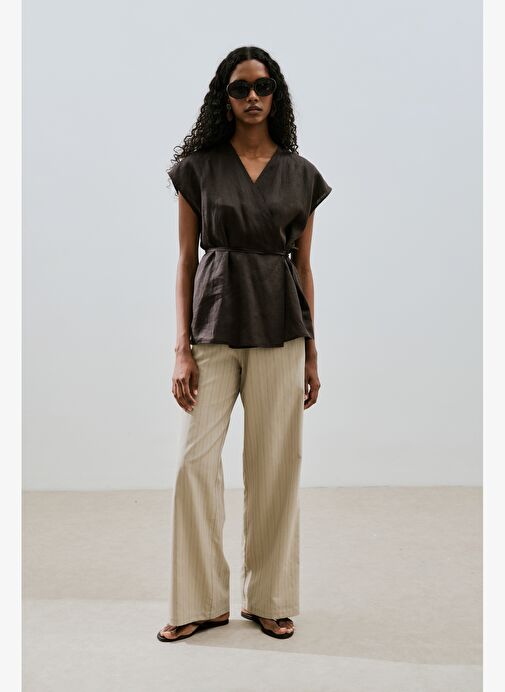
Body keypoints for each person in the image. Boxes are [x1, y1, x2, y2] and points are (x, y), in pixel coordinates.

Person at [157, 46, 332, 642]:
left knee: (275, 464)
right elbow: (186, 262)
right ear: (224, 97)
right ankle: (200, 600)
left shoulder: (301, 174)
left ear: (275, 94)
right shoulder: (198, 169)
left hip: (281, 328)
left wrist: (312, 351)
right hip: (213, 325)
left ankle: (270, 598)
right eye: (239, 88)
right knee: (194, 462)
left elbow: (303, 268)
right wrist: (180, 348)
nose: (252, 96)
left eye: (262, 86)